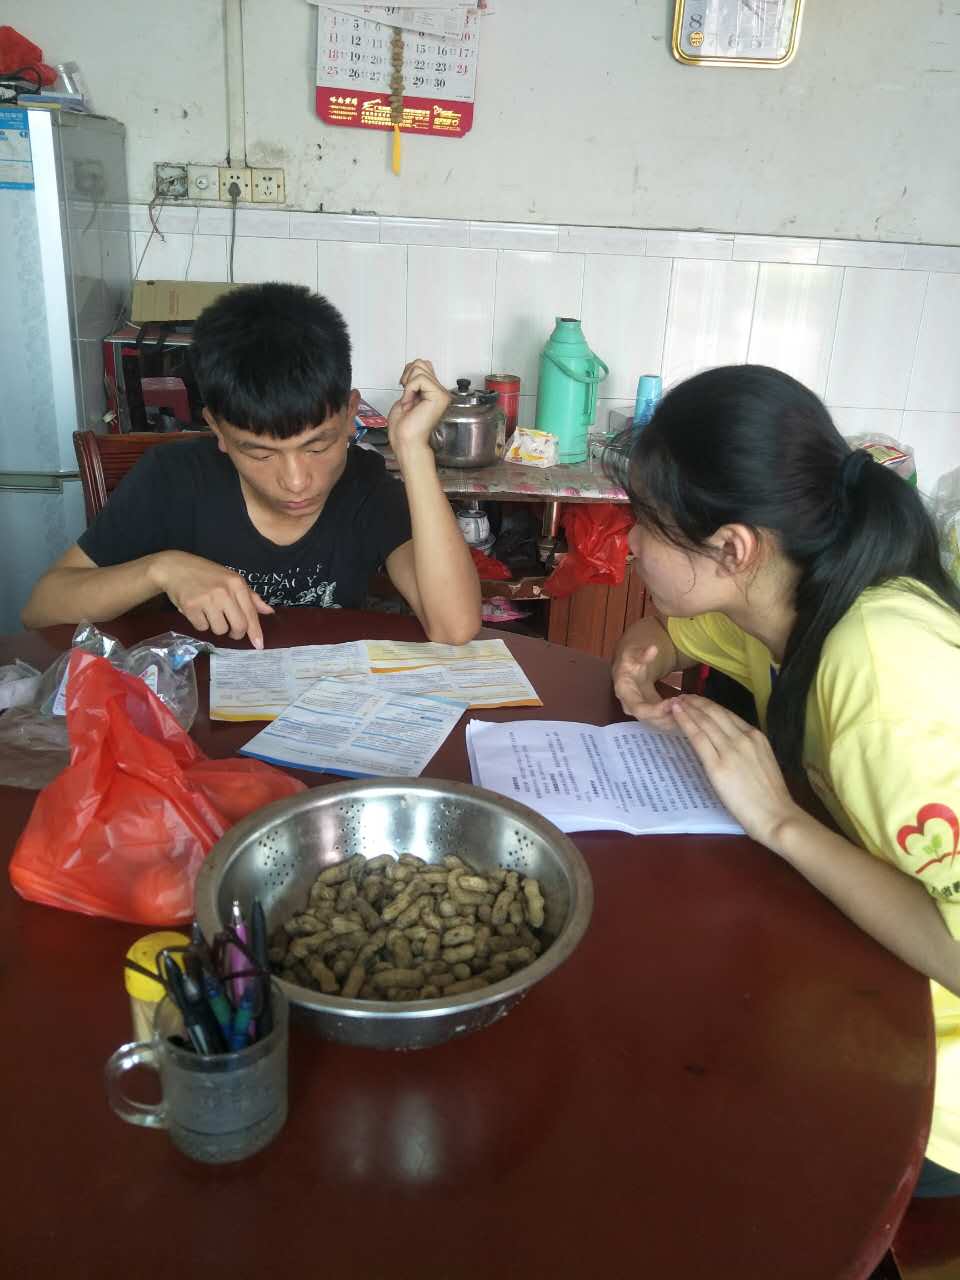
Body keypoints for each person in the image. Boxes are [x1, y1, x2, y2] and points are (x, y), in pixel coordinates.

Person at [609, 364, 960, 1197]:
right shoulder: (785, 602)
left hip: (930, 1080)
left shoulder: (881, 672)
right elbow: (675, 632)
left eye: (644, 523)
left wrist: (780, 822)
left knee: (657, 1107)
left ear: (734, 548)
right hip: (854, 970)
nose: (628, 545)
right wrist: (642, 657)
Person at [22, 283, 481, 647]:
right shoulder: (173, 479)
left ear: (349, 415)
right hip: (196, 710)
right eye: (260, 454)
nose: (297, 481)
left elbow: (454, 627)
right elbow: (41, 609)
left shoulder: (366, 487)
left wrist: (413, 450)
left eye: (318, 446)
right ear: (218, 431)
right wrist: (160, 569)